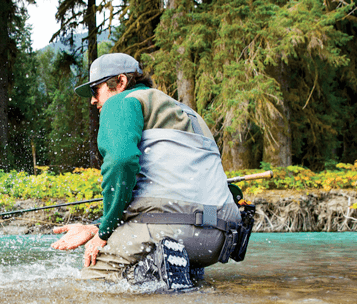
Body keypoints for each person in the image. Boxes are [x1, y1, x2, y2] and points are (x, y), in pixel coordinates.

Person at [51, 53, 243, 290]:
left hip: (174, 228)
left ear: (120, 82)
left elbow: (120, 162)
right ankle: (171, 270)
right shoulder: (185, 112)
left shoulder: (121, 101)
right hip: (222, 238)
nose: (93, 100)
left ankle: (156, 269)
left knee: (92, 283)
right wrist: (96, 226)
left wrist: (104, 233)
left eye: (95, 90)